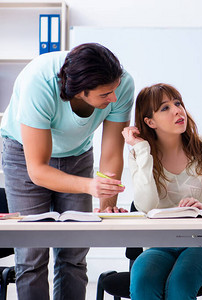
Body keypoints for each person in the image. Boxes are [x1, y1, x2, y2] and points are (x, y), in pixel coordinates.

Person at [1, 43, 135, 300]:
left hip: (77, 154)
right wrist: (89, 186)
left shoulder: (121, 84)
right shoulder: (39, 82)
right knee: (31, 256)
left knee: (74, 253)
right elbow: (38, 170)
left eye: (115, 89)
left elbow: (111, 154)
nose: (114, 98)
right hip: (24, 155)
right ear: (80, 92)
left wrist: (107, 203)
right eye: (106, 94)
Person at [122, 83, 202, 299]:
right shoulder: (140, 154)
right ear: (149, 121)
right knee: (143, 283)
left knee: (180, 284)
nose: (177, 110)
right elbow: (146, 206)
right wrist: (142, 150)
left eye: (178, 103)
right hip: (159, 245)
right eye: (165, 108)